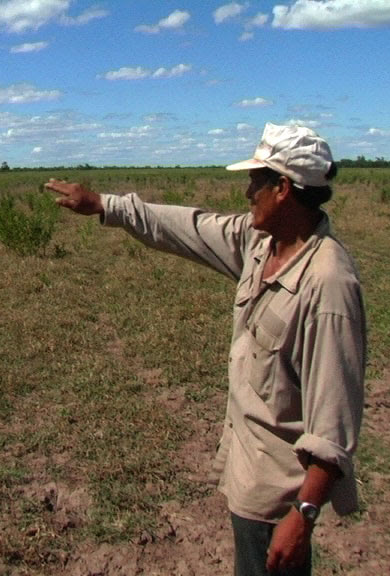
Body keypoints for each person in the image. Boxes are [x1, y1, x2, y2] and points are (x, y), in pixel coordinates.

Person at [44, 123, 366, 576]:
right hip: (247, 470)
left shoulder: (328, 284)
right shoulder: (261, 244)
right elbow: (188, 227)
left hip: (278, 497)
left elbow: (335, 423)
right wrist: (104, 205)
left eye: (256, 180)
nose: (247, 190)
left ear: (283, 189)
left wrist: (303, 514)